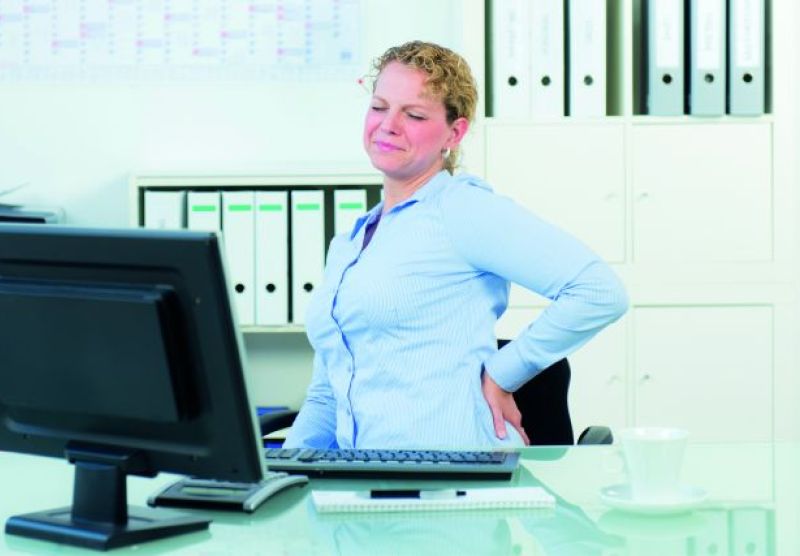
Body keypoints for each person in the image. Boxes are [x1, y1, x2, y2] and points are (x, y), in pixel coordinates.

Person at [283, 41, 628, 450]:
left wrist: (502, 373)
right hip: (370, 477)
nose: (388, 125)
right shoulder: (349, 243)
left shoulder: (461, 209)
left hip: (451, 474)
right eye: (379, 107)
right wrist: (282, 473)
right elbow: (327, 396)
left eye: (413, 114)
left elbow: (599, 291)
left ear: (455, 132)